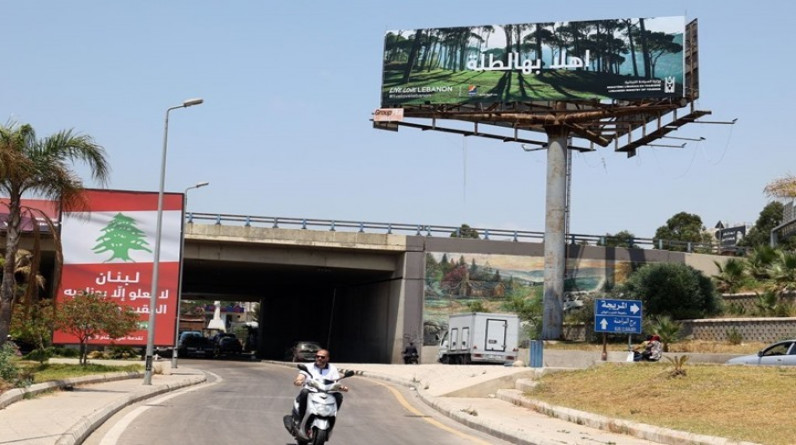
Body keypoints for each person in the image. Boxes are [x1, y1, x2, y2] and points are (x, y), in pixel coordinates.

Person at [292, 349, 348, 424]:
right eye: (317, 356)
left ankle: (332, 416)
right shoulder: (308, 366)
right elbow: (301, 376)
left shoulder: (332, 368)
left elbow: (336, 382)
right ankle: (301, 418)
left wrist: (342, 387)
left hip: (327, 392)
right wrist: (299, 380)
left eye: (322, 357)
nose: (319, 358)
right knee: (304, 392)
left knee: (338, 396)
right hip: (311, 391)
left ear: (327, 358)